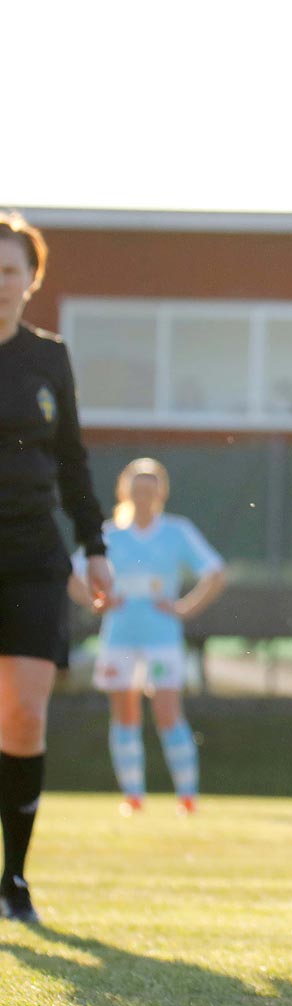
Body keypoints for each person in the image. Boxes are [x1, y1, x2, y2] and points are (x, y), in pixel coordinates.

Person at [0, 212, 112, 923]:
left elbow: (72, 461)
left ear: (30, 279)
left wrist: (95, 548)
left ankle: (13, 882)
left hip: (36, 557)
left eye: (8, 270)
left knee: (23, 714)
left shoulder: (50, 358)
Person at [69, 459, 224, 815]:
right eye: (136, 488)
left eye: (150, 488)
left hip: (162, 639)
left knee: (168, 713)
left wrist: (184, 608)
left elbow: (215, 573)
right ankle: (133, 797)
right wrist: (95, 603)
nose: (143, 495)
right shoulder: (108, 535)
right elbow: (72, 573)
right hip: (119, 637)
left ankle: (187, 796)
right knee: (125, 715)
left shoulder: (177, 531)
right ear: (124, 492)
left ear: (161, 493)